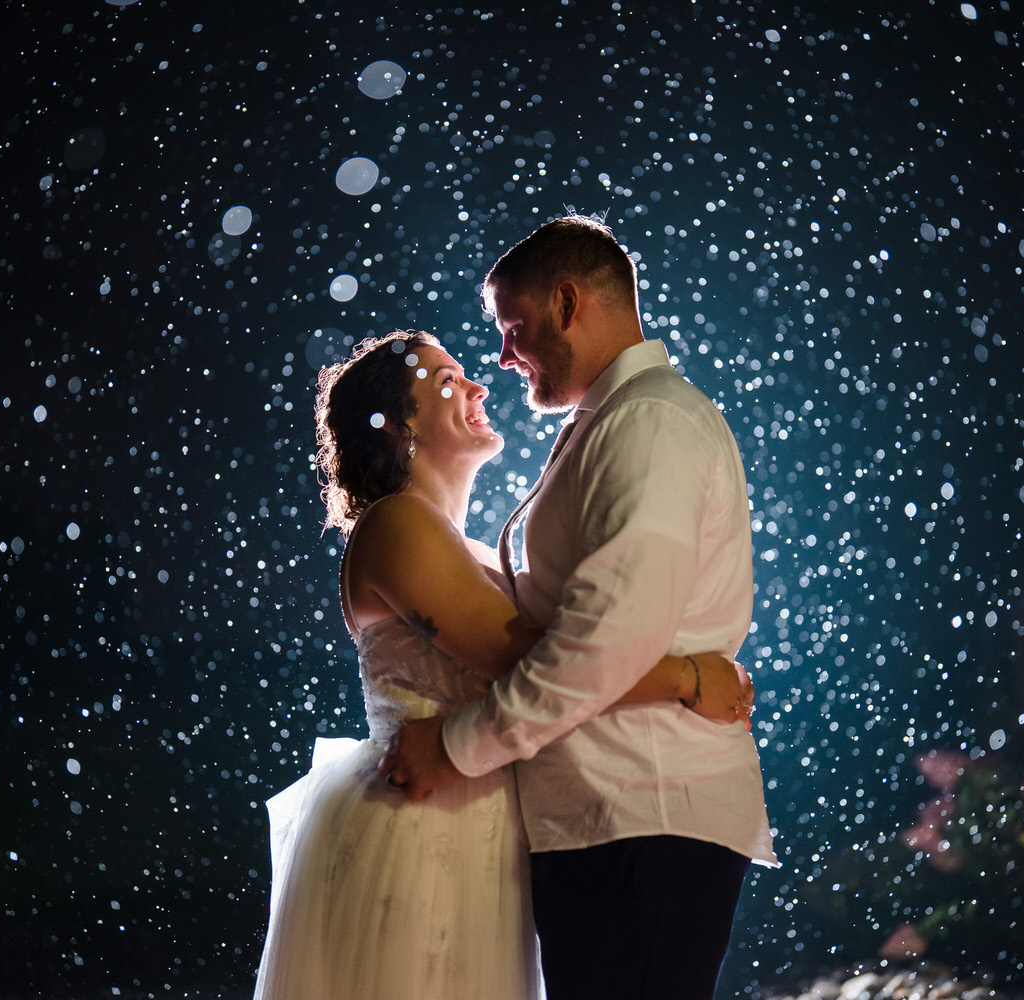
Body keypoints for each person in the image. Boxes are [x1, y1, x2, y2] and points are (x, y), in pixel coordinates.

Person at [253, 329, 753, 1000]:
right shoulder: (397, 525)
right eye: (447, 380)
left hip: (482, 829)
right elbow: (525, 659)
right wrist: (688, 678)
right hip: (422, 827)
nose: (479, 386)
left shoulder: (468, 547)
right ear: (400, 423)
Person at [381, 215, 779, 999]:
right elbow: (577, 634)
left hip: (642, 810)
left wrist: (456, 746)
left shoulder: (649, 423)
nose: (502, 358)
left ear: (568, 303)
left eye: (514, 327)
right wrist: (689, 675)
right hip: (612, 816)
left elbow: (603, 643)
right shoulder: (611, 423)